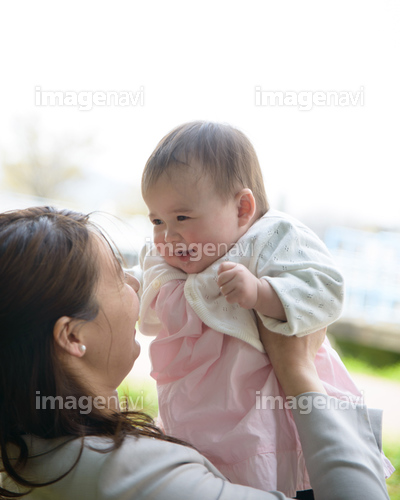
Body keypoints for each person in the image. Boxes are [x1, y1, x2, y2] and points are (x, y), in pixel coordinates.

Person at [0, 206, 390, 499]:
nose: (137, 285)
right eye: (119, 278)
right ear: (71, 336)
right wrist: (299, 371)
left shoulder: (27, 459)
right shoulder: (133, 478)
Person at [137, 121, 394, 497]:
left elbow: (324, 290)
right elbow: (140, 280)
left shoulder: (271, 238)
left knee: (282, 475)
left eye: (181, 218)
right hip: (201, 412)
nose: (166, 236)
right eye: (156, 220)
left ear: (243, 208)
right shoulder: (167, 259)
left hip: (275, 414)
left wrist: (263, 293)